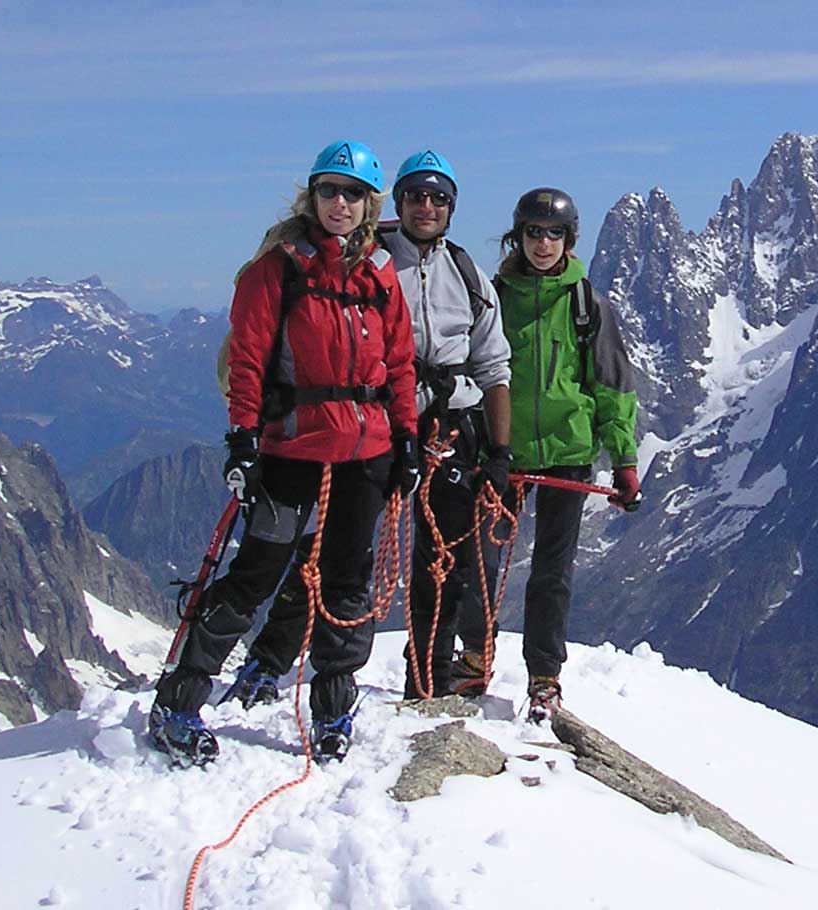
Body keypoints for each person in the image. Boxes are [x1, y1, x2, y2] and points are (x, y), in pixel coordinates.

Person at [148, 139, 420, 767]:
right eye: (330, 190)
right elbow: (248, 356)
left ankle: (332, 704)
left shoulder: (379, 273)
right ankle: (179, 700)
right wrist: (242, 437)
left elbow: (399, 362)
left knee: (346, 578)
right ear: (312, 195)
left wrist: (404, 436)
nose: (341, 203)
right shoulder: (276, 269)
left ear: (369, 202)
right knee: (259, 571)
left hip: (367, 448)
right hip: (292, 444)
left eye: (353, 194)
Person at [228, 150, 512, 705]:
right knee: (335, 548)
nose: (425, 207)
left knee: (443, 557)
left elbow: (494, 365)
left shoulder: (469, 276)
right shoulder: (366, 261)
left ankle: (426, 681)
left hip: (451, 426)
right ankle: (271, 657)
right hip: (374, 422)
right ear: (396, 202)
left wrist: (499, 452)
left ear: (451, 208)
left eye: (437, 198)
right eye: (414, 196)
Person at [453, 187, 640, 721]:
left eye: (553, 233)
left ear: (569, 239)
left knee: (552, 571)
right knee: (482, 562)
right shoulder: (493, 297)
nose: (543, 243)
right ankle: (475, 655)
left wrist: (624, 461)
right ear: (519, 237)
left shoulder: (587, 304)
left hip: (567, 451)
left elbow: (612, 386)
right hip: (502, 451)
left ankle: (544, 675)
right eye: (533, 232)